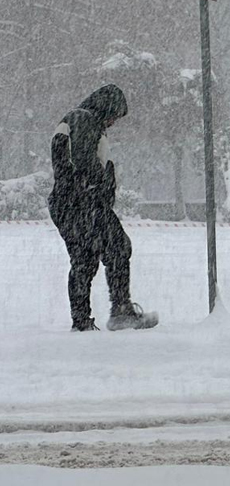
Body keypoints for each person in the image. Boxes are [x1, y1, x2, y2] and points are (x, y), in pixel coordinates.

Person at [47, 84, 158, 332]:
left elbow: (73, 163)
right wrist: (102, 183)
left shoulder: (75, 120)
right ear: (106, 106)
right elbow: (85, 161)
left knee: (84, 260)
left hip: (68, 202)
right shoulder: (84, 119)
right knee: (118, 248)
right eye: (115, 115)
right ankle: (120, 311)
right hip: (83, 202)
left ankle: (82, 321)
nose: (113, 122)